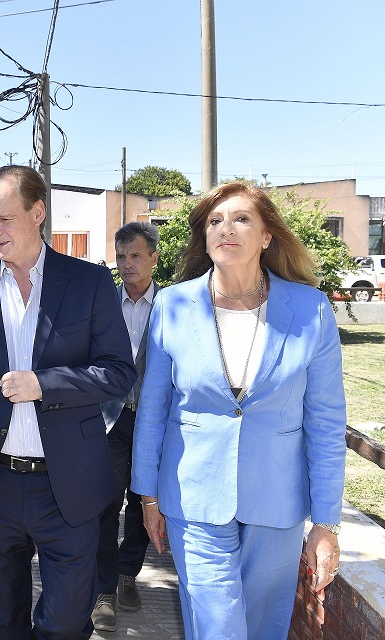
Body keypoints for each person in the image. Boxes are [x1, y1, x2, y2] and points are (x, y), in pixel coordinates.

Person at [131, 181, 347, 640]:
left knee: (265, 627)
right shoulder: (173, 304)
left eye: (241, 218)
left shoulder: (310, 309)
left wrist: (326, 522)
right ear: (205, 236)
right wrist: (148, 496)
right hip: (193, 496)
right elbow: (153, 409)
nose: (226, 228)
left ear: (266, 236)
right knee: (218, 627)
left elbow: (326, 422)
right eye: (215, 221)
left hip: (277, 499)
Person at [0, 165, 135, 640]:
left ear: (37, 213)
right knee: (5, 620)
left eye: (4, 218)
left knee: (65, 623)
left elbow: (118, 372)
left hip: (71, 485)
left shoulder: (88, 282)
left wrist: (45, 384)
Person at [92, 222, 161, 632]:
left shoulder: (172, 307)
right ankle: (103, 590)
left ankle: (126, 573)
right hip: (110, 421)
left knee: (143, 502)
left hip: (153, 423)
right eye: (121, 256)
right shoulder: (103, 304)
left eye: (135, 255)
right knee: (105, 504)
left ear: (154, 257)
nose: (127, 264)